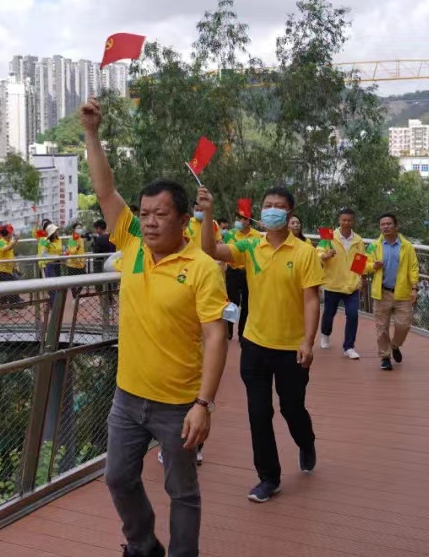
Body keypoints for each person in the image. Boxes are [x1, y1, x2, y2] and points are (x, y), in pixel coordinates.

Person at [82, 97, 228, 557]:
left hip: (179, 402)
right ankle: (143, 545)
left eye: (160, 214)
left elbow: (216, 335)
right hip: (128, 396)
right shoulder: (132, 245)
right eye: (144, 213)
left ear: (184, 220)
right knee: (117, 477)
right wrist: (92, 133)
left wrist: (203, 404)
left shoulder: (201, 268)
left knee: (182, 491)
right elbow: (105, 191)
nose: (148, 222)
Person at [197, 185, 323, 504]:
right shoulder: (251, 246)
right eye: (267, 204)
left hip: (292, 349)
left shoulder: (305, 252)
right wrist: (208, 213)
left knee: (291, 408)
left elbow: (311, 300)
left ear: (290, 213)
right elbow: (210, 250)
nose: (272, 210)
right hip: (254, 344)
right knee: (258, 412)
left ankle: (306, 441)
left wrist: (308, 342)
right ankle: (269, 477)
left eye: (279, 205)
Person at [365, 213, 420, 371]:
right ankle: (385, 357)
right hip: (382, 293)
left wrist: (414, 288)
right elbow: (361, 265)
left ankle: (395, 345)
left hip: (403, 293)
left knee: (404, 325)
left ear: (396, 226)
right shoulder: (374, 246)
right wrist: (373, 266)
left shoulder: (406, 246)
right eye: (382, 224)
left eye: (389, 224)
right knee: (381, 328)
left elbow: (413, 268)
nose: (386, 227)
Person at [317, 208, 366, 360]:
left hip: (351, 285)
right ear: (339, 220)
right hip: (333, 283)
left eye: (349, 220)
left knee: (352, 315)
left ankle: (349, 347)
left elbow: (360, 262)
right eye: (343, 220)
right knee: (329, 313)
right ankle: (325, 334)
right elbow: (317, 253)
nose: (346, 222)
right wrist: (325, 255)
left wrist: (361, 279)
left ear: (353, 221)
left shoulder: (358, 240)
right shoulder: (328, 235)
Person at [225, 200, 260, 341]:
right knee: (231, 303)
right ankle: (228, 331)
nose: (239, 221)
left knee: (247, 304)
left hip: (248, 273)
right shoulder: (230, 234)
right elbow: (224, 252)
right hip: (232, 272)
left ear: (248, 220)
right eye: (238, 218)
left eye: (242, 218)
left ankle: (242, 333)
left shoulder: (257, 236)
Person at [0, 225, 20, 307]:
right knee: (3, 290)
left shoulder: (8, 242)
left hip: (7, 270)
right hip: (0, 270)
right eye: (10, 234)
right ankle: (6, 305)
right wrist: (15, 240)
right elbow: (7, 248)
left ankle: (12, 304)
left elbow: (10, 250)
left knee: (12, 286)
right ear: (7, 235)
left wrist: (15, 266)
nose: (11, 235)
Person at [64, 222, 87, 297]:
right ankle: (75, 297)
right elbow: (71, 251)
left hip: (81, 264)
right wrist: (77, 247)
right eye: (78, 228)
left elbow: (82, 252)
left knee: (84, 280)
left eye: (80, 228)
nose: (79, 229)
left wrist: (84, 261)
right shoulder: (71, 239)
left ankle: (77, 295)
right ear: (74, 230)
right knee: (73, 283)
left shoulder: (81, 239)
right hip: (72, 264)